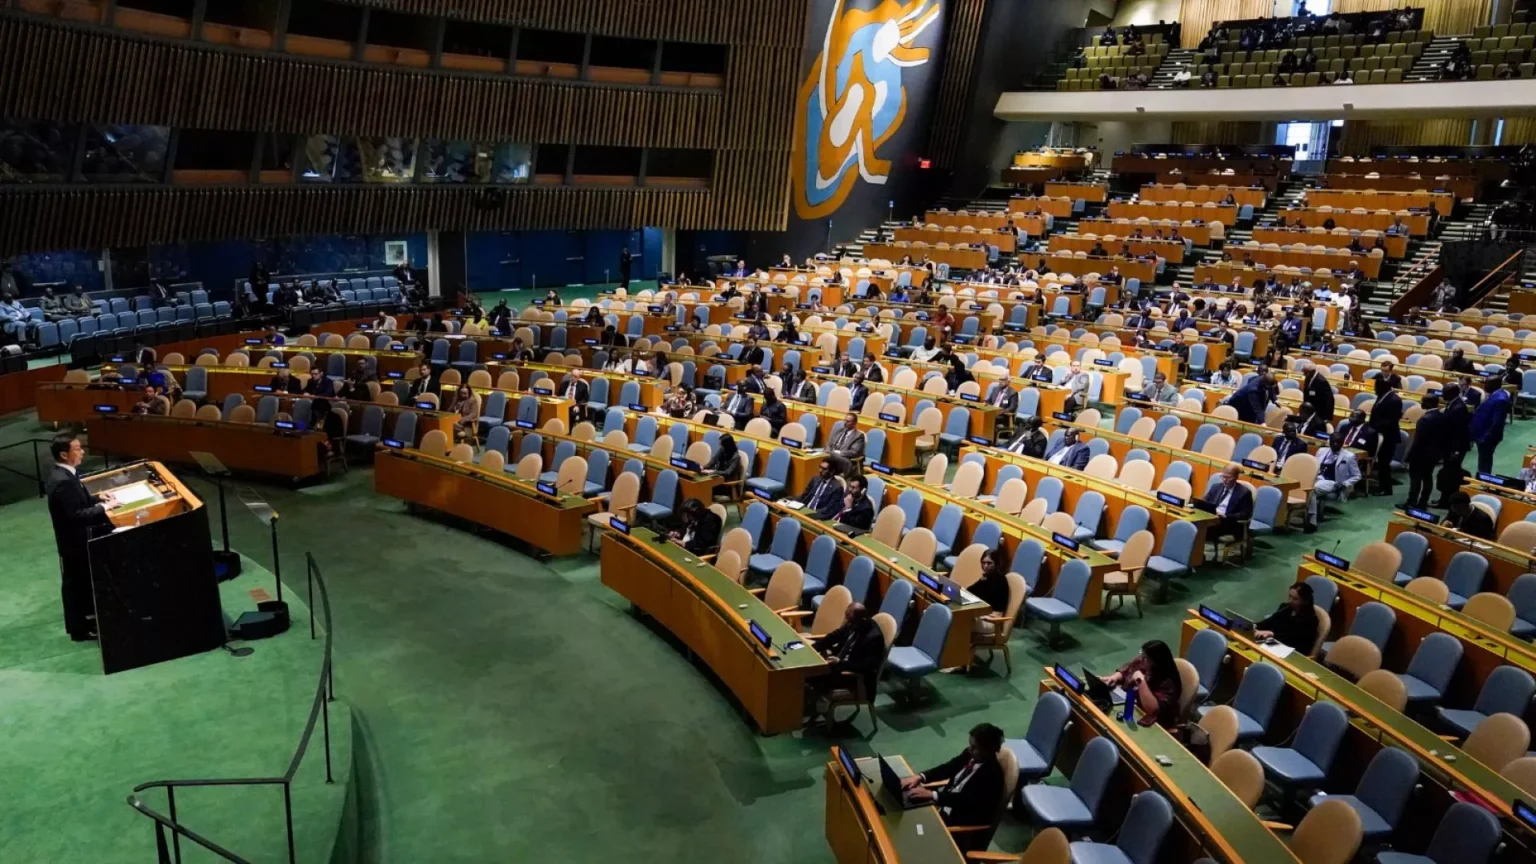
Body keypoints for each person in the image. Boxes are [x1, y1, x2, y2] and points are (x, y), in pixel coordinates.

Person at [45, 435, 116, 641]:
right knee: (75, 586)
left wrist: (96, 498)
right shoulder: (63, 481)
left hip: (76, 540)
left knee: (80, 583)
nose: (82, 451)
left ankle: (85, 622)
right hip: (74, 543)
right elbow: (75, 515)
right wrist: (104, 507)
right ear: (64, 454)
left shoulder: (65, 474)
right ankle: (80, 630)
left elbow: (77, 501)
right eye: (77, 449)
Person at [899, 723, 1007, 845]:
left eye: (974, 747)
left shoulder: (991, 775)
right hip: (944, 806)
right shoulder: (971, 755)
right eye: (970, 744)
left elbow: (965, 801)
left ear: (988, 751)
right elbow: (949, 767)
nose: (969, 749)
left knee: (914, 835)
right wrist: (920, 777)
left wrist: (933, 795)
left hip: (958, 822)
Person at [809, 602, 886, 713]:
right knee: (811, 669)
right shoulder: (854, 623)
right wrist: (813, 648)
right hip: (840, 666)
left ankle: (807, 709)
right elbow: (834, 636)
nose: (848, 624)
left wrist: (840, 663)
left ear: (862, 620)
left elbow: (866, 667)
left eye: (850, 622)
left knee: (811, 674)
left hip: (854, 679)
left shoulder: (874, 638)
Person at [1100, 641, 1183, 728]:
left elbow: (1152, 710)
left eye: (1146, 658)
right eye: (1142, 654)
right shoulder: (1142, 661)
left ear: (1157, 661)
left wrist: (1141, 681)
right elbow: (1128, 669)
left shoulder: (1167, 684)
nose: (1142, 659)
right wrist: (1115, 677)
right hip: (1133, 708)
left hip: (1155, 724)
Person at [1403, 393, 1445, 510]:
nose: (1421, 403)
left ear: (1427, 404)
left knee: (1415, 479)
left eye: (1423, 401)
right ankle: (1423, 502)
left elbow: (1418, 441)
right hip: (1434, 454)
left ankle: (1411, 502)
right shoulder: (1442, 417)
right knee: (1427, 478)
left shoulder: (1424, 419)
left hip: (1420, 455)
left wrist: (1409, 456)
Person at [1310, 434, 1360, 526]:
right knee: (1303, 486)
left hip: (1334, 483)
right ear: (1329, 442)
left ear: (1343, 443)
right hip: (1317, 478)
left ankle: (1311, 521)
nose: (1335, 444)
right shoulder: (1321, 451)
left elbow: (1357, 476)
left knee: (1311, 490)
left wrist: (1344, 483)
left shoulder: (1349, 456)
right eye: (1333, 442)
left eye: (1338, 442)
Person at [1254, 583, 1319, 652]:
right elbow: (1270, 621)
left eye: (1295, 599)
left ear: (1305, 601)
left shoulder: (1311, 620)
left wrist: (1272, 633)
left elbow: (1292, 638)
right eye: (1290, 596)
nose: (1290, 601)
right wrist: (1254, 626)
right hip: (1274, 643)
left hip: (1292, 651)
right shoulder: (1285, 607)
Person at [1436, 382, 1471, 507]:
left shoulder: (1458, 408)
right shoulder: (1453, 404)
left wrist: (1456, 451)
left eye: (1445, 392)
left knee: (1450, 474)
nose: (1442, 394)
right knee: (1448, 473)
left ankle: (1446, 502)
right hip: (1451, 446)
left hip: (1456, 448)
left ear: (1452, 393)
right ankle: (1444, 500)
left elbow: (1459, 432)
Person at [1368, 377, 1403, 496]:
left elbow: (1391, 420)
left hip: (1388, 436)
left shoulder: (1394, 400)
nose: (1374, 389)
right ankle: (1381, 485)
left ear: (1383, 387)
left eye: (1376, 386)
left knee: (1384, 463)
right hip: (1379, 434)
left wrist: (1374, 426)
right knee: (1381, 463)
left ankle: (1386, 489)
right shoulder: (1383, 396)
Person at [1471, 375, 1512, 473]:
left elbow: (1497, 422)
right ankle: (1482, 478)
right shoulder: (1495, 394)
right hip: (1482, 433)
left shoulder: (1501, 399)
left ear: (1495, 385)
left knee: (1485, 463)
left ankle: (1484, 480)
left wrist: (1486, 437)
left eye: (1487, 383)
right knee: (1483, 461)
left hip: (1488, 437)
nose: (1484, 385)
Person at [1203, 464, 1254, 542]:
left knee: (1201, 529)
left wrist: (1226, 516)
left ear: (1236, 477)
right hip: (1211, 518)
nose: (1224, 480)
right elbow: (1205, 502)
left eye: (1228, 477)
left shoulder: (1244, 493)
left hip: (1228, 523)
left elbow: (1245, 514)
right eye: (1223, 476)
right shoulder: (1216, 487)